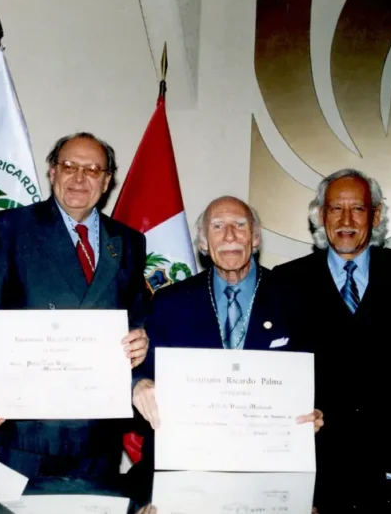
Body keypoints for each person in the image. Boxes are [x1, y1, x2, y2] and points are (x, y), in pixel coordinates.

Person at [0, 132, 150, 478]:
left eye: (92, 170)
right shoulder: (10, 227)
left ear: (107, 182)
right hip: (21, 429)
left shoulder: (130, 242)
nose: (79, 178)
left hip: (97, 431)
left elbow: (138, 314)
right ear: (52, 172)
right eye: (69, 166)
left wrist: (143, 336)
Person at [130, 196, 322, 469]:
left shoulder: (296, 298)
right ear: (204, 244)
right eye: (217, 227)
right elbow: (144, 375)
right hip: (189, 463)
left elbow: (322, 378)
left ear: (255, 238)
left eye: (240, 226)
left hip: (270, 462)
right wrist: (139, 385)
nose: (230, 236)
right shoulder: (170, 302)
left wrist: (318, 411)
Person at [273, 168, 391, 476]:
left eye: (358, 209)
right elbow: (273, 370)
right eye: (336, 209)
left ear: (375, 217)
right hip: (318, 462)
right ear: (321, 216)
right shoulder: (286, 280)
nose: (346, 221)